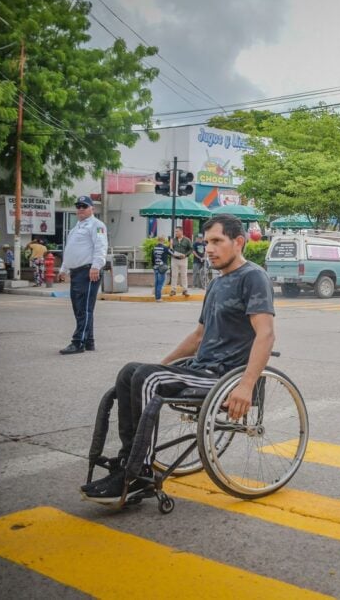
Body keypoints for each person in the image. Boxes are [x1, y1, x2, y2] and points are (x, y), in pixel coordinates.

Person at [79, 214, 275, 503]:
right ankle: (126, 461)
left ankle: (137, 473)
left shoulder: (253, 277)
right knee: (130, 372)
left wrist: (246, 385)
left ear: (239, 242)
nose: (208, 248)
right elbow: (198, 337)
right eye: (206, 242)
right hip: (199, 368)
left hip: (223, 376)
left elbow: (266, 335)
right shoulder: (217, 283)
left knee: (146, 376)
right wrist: (162, 365)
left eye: (217, 241)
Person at [58, 196, 108, 354]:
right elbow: (70, 250)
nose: (80, 209)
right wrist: (63, 269)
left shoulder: (97, 225)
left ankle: (78, 342)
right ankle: (89, 341)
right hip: (76, 272)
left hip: (88, 271)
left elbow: (101, 246)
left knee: (84, 309)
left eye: (84, 206)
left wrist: (96, 266)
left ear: (92, 208)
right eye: (78, 206)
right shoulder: (76, 228)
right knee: (80, 308)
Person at [169, 226, 192, 297]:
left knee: (184, 275)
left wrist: (185, 255)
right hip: (174, 259)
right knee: (174, 275)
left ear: (181, 232)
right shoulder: (173, 240)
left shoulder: (187, 240)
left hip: (183, 259)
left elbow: (191, 249)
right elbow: (170, 249)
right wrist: (170, 246)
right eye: (175, 231)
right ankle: (173, 290)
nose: (176, 233)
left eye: (177, 231)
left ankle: (185, 290)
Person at [151, 236, 170, 301]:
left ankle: (157, 297)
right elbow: (171, 253)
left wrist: (154, 266)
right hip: (162, 268)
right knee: (160, 283)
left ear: (157, 240)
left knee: (156, 283)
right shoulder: (164, 248)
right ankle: (158, 298)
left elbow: (152, 258)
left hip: (155, 267)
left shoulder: (154, 248)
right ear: (163, 240)